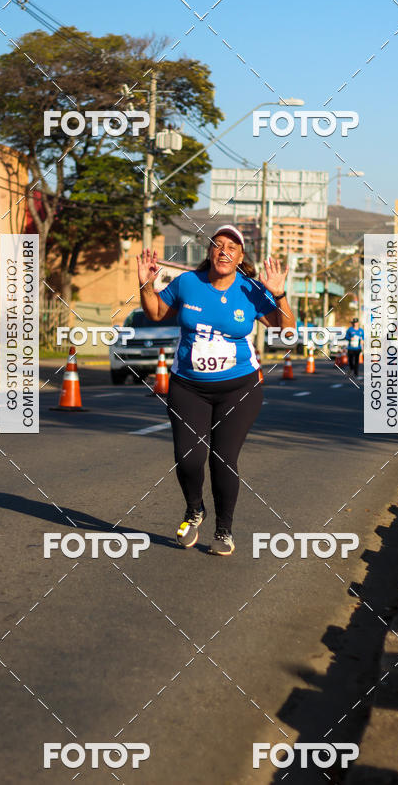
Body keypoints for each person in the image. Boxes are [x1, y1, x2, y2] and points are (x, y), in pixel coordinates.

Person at [136, 225, 292, 557]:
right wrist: (146, 284)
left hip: (239, 388)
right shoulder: (188, 284)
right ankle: (194, 510)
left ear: (240, 258)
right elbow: (155, 312)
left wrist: (278, 294)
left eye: (232, 248)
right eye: (218, 245)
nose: (224, 252)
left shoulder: (250, 290)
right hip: (188, 387)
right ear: (210, 252)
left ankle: (224, 529)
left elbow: (287, 333)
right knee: (188, 458)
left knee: (223, 460)